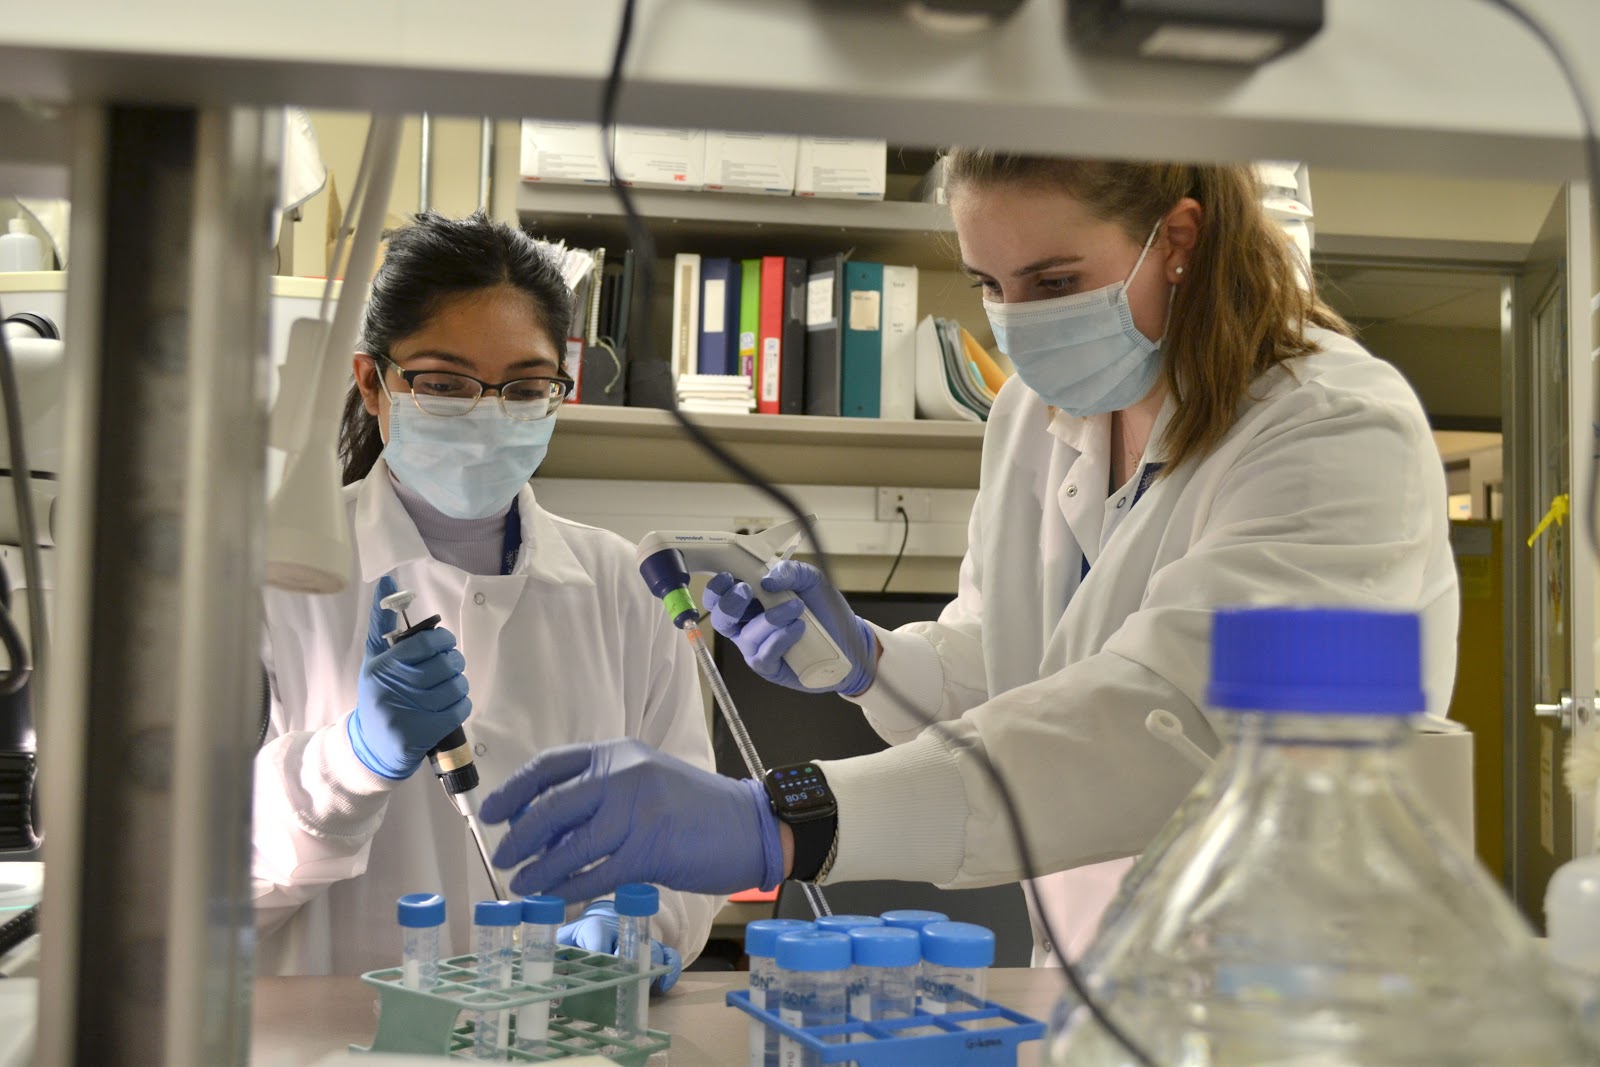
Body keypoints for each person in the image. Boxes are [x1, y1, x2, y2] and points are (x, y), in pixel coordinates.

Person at [478, 155, 1460, 963]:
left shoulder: (1330, 427)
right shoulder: (1036, 414)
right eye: (989, 285)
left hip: (1300, 980)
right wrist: (865, 656)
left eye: (1053, 281)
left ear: (1180, 239)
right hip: (1090, 967)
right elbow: (1007, 671)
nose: (1017, 320)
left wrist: (776, 818)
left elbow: (1158, 727)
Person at [251, 212, 718, 988]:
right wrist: (351, 761)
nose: (487, 412)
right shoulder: (272, 578)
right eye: (444, 383)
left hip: (561, 1034)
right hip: (340, 1044)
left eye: (525, 387)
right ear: (374, 383)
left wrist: (641, 924)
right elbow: (192, 885)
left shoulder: (624, 589)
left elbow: (690, 844)